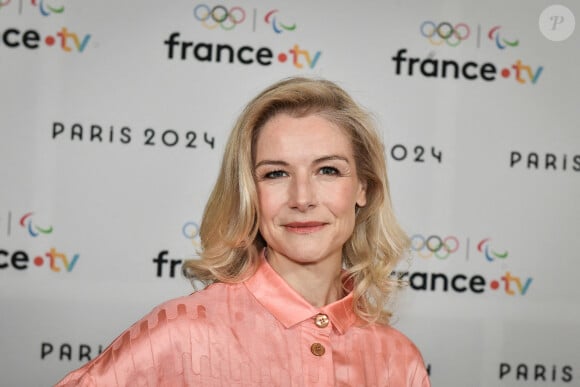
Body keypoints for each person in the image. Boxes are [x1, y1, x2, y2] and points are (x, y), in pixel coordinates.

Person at [55, 77, 430, 386]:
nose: (302, 198)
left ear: (363, 187)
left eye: (327, 170)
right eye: (276, 174)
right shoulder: (180, 334)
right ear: (249, 192)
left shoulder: (399, 361)